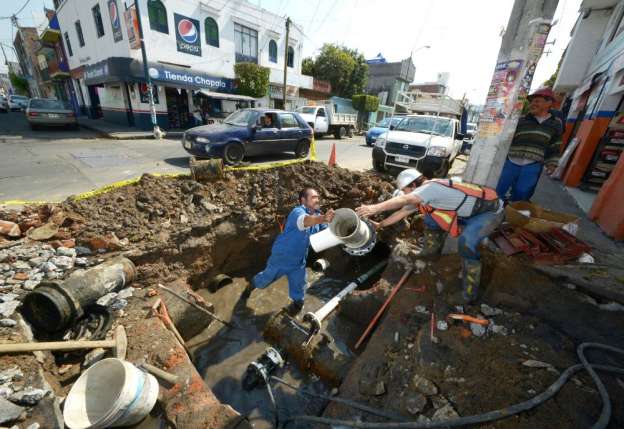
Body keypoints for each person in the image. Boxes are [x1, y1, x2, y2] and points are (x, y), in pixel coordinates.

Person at [356, 169, 503, 304]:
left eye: (405, 190)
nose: (405, 193)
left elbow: (406, 200)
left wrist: (374, 208)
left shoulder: (430, 188)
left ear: (413, 185)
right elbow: (401, 213)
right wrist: (380, 225)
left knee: (466, 244)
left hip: (488, 213)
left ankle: (469, 294)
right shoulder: (423, 196)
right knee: (430, 217)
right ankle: (431, 252)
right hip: (464, 212)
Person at [243, 188, 335, 314]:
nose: (317, 200)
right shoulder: (298, 212)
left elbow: (328, 229)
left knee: (299, 287)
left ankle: (296, 307)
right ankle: (250, 286)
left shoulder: (318, 215)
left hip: (298, 261)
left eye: (318, 197)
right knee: (265, 280)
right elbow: (305, 221)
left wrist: (338, 224)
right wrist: (324, 218)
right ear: (303, 200)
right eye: (313, 197)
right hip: (282, 257)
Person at [496, 88, 563, 202]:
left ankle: (510, 213)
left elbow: (555, 145)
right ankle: (492, 211)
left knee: (522, 192)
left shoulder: (555, 123)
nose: (533, 104)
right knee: (498, 190)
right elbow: (505, 139)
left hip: (533, 165)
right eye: (532, 102)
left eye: (537, 101)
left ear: (549, 103)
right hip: (511, 161)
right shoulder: (520, 119)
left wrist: (552, 164)